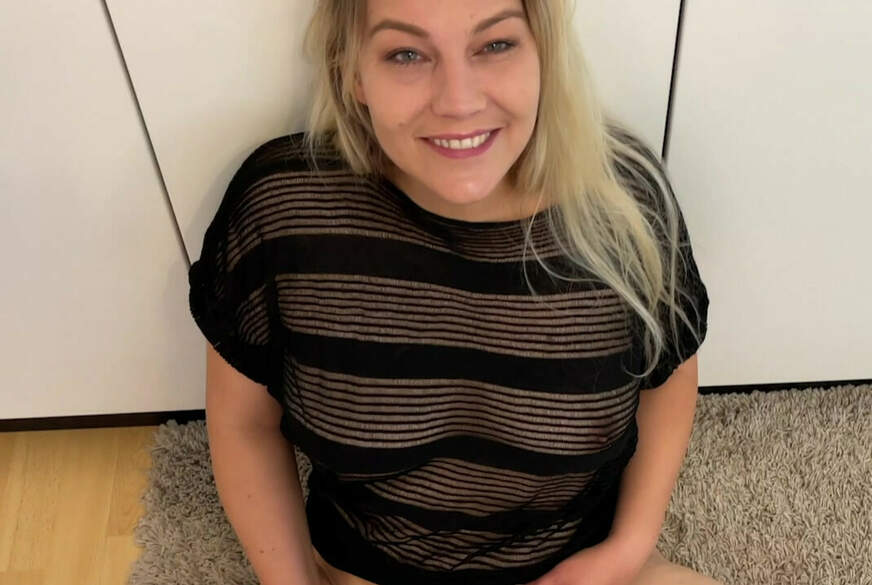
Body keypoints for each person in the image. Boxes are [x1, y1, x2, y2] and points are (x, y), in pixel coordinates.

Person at [188, 1, 724, 585]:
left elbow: (668, 380)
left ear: (543, 52)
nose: (458, 102)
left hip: (576, 564)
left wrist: (624, 550)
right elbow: (244, 423)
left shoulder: (626, 207)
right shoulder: (284, 209)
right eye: (406, 54)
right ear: (352, 71)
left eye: (495, 45)